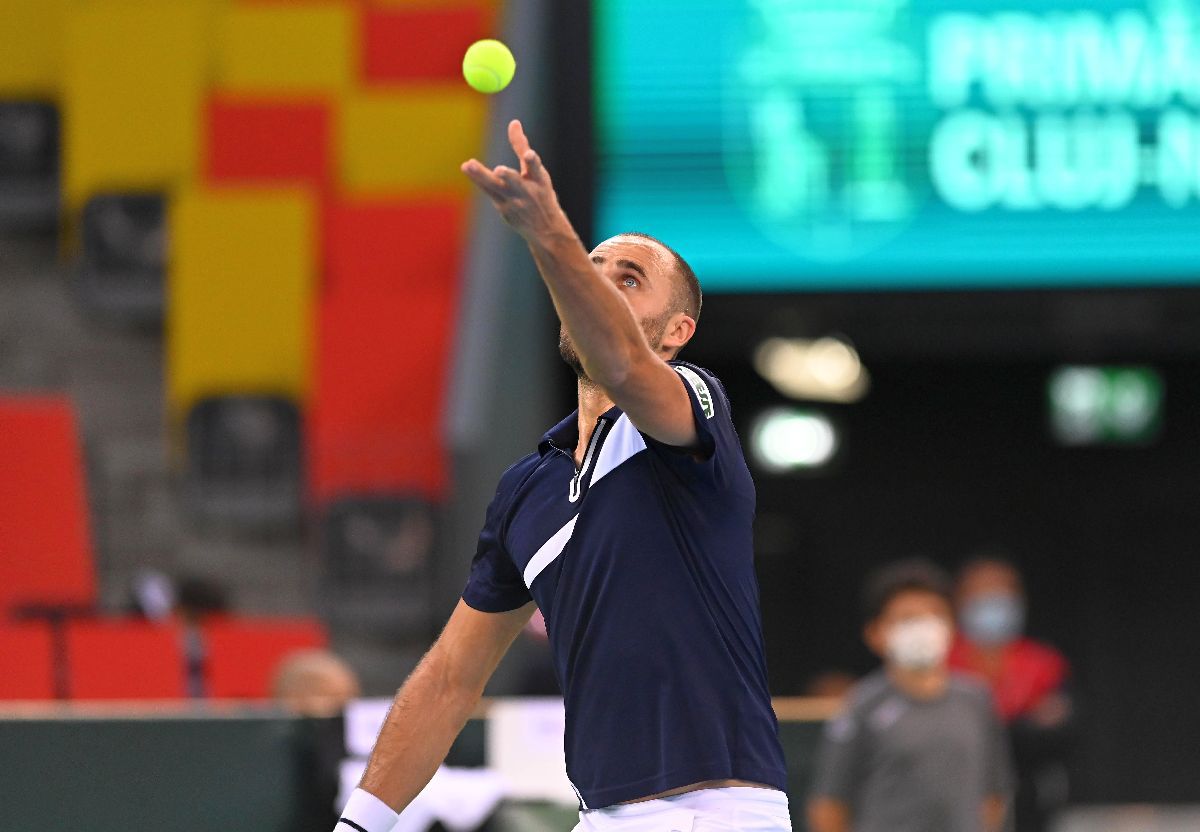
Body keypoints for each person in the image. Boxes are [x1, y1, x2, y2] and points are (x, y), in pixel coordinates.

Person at [334, 120, 791, 832]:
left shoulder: (691, 407)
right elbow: (452, 679)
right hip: (600, 814)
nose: (601, 287)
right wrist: (359, 824)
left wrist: (554, 240)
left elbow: (624, 366)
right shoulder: (527, 490)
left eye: (629, 280)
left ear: (677, 331)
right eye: (595, 272)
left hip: (716, 811)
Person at [808, 559, 1012, 832]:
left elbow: (993, 797)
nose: (923, 627)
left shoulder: (976, 701)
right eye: (907, 618)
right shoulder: (863, 705)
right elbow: (828, 807)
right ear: (875, 633)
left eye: (935, 615)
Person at [950, 556, 1073, 832]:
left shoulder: (1043, 662)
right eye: (983, 592)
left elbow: (1055, 723)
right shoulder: (944, 662)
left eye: (1003, 591)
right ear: (960, 600)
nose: (993, 600)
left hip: (1026, 792)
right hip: (956, 789)